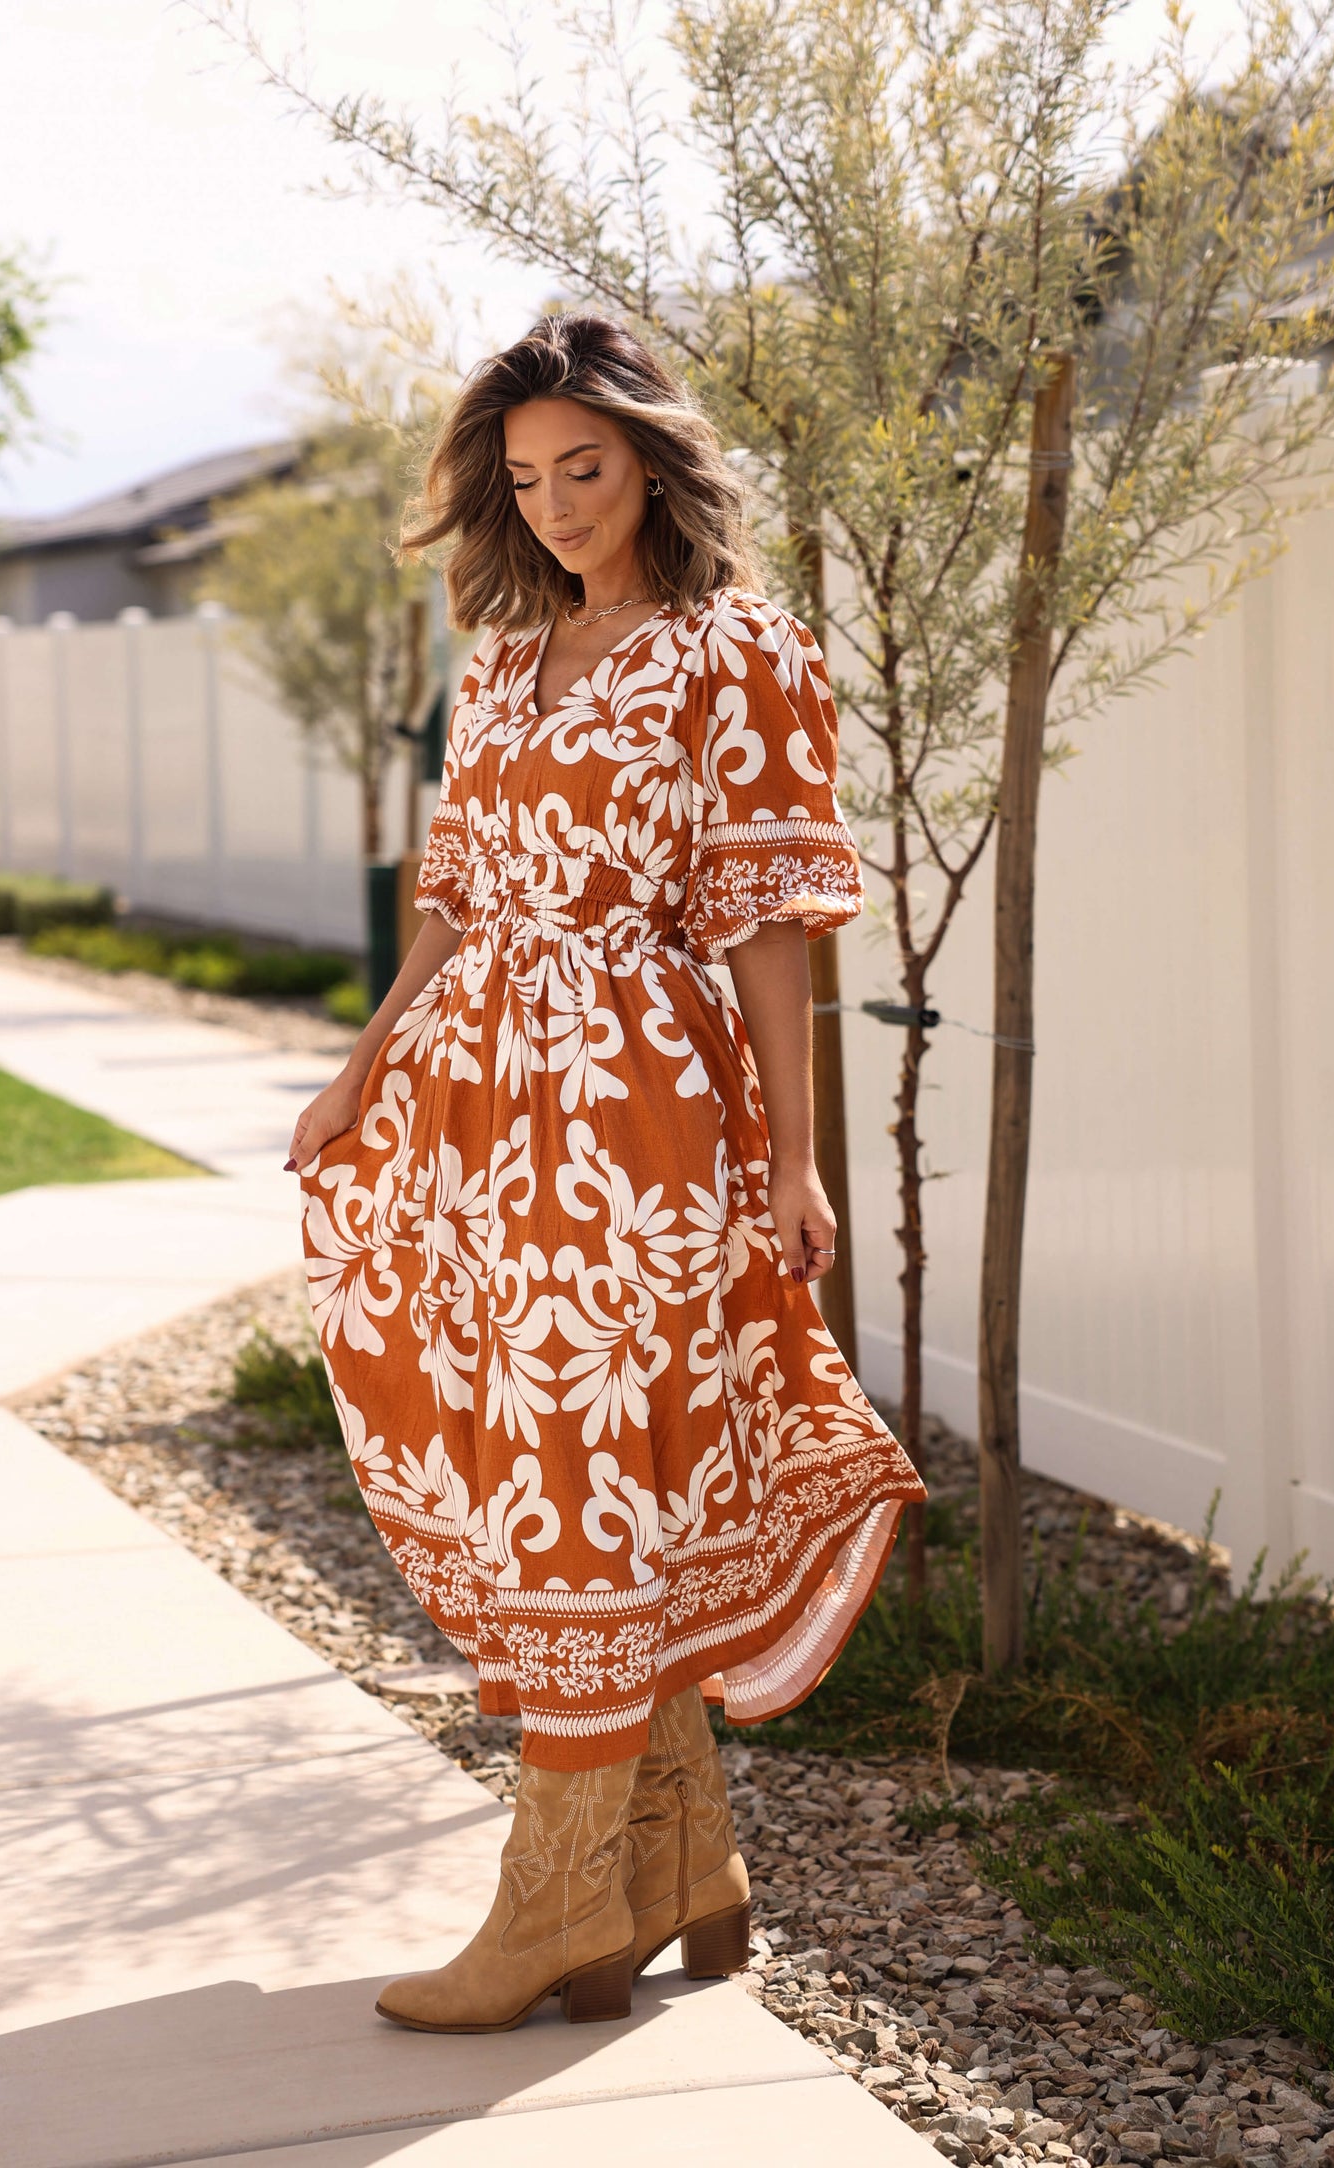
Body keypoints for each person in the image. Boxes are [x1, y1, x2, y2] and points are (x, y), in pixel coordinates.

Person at [287, 310, 925, 2036]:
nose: (558, 504)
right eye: (525, 477)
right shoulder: (496, 661)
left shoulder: (738, 653)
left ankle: (558, 1899)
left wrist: (796, 1157)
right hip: (478, 1099)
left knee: (586, 1456)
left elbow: (768, 926)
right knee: (533, 1453)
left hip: (639, 1107)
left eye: (585, 466)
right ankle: (680, 1860)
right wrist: (363, 1064)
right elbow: (451, 892)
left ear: (650, 459)